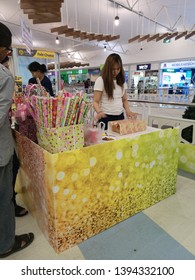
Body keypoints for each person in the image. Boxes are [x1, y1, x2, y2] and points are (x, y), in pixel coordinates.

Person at [0, 21, 34, 258]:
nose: (8, 53)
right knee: (4, 200)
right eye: (7, 48)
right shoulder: (5, 77)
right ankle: (6, 244)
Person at [1, 56, 28, 217]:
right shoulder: (5, 76)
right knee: (5, 186)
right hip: (2, 145)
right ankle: (7, 240)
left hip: (5, 136)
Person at [93, 53, 138, 130]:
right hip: (105, 117)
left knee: (120, 140)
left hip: (120, 116)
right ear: (108, 68)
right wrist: (99, 112)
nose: (115, 72)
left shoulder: (122, 81)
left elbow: (124, 99)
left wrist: (128, 111)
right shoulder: (101, 80)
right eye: (113, 69)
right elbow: (95, 101)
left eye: (118, 69)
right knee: (107, 141)